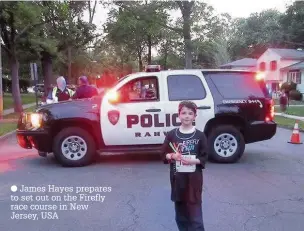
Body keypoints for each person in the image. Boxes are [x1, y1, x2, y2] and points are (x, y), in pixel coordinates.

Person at [161, 100, 208, 231]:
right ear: (179, 115)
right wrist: (172, 156)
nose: (187, 116)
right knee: (181, 217)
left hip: (194, 181)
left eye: (190, 113)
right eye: (184, 113)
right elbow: (163, 154)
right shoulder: (172, 134)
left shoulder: (200, 135)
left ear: (194, 116)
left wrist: (193, 161)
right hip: (177, 180)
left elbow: (204, 157)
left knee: (195, 218)